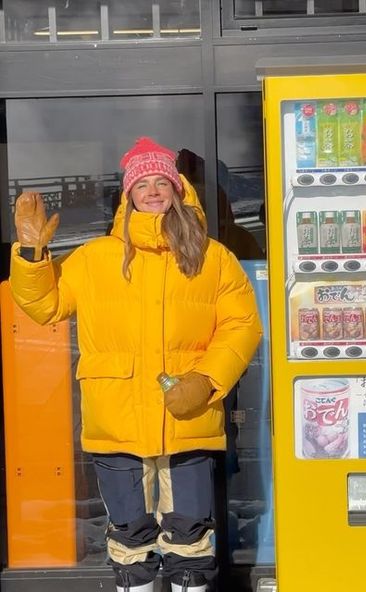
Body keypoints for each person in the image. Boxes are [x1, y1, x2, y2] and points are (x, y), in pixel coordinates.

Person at [9, 137, 263, 592]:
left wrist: (207, 379)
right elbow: (44, 305)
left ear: (178, 189)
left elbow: (242, 326)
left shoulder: (212, 258)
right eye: (140, 184)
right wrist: (31, 257)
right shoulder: (95, 259)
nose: (151, 191)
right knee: (129, 534)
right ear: (127, 196)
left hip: (187, 416)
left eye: (160, 182)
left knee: (190, 535)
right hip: (117, 420)